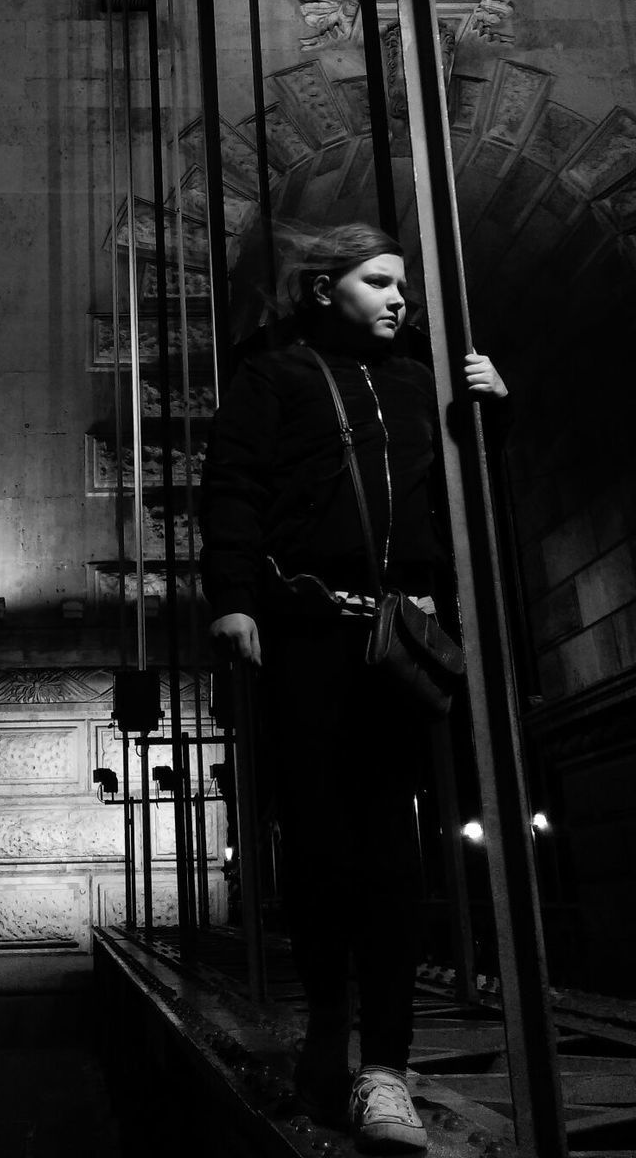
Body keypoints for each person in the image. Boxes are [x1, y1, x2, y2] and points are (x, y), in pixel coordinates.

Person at [199, 222, 507, 1150]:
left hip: (398, 639)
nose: (400, 297)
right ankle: (330, 1028)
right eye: (379, 282)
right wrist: (233, 599)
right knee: (321, 844)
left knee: (394, 851)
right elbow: (233, 487)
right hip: (306, 632)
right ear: (324, 288)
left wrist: (491, 413)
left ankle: (383, 1067)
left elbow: (472, 500)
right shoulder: (275, 377)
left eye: (402, 283)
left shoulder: (424, 382)